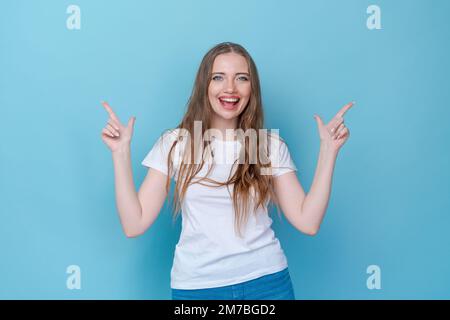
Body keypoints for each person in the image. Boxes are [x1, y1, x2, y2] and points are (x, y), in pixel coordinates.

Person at [100, 42, 354, 300]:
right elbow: (134, 223)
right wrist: (120, 153)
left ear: (251, 88)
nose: (230, 88)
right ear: (204, 86)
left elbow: (308, 221)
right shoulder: (177, 143)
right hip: (198, 289)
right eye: (218, 77)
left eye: (241, 78)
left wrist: (328, 150)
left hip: (267, 284)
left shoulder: (266, 145)